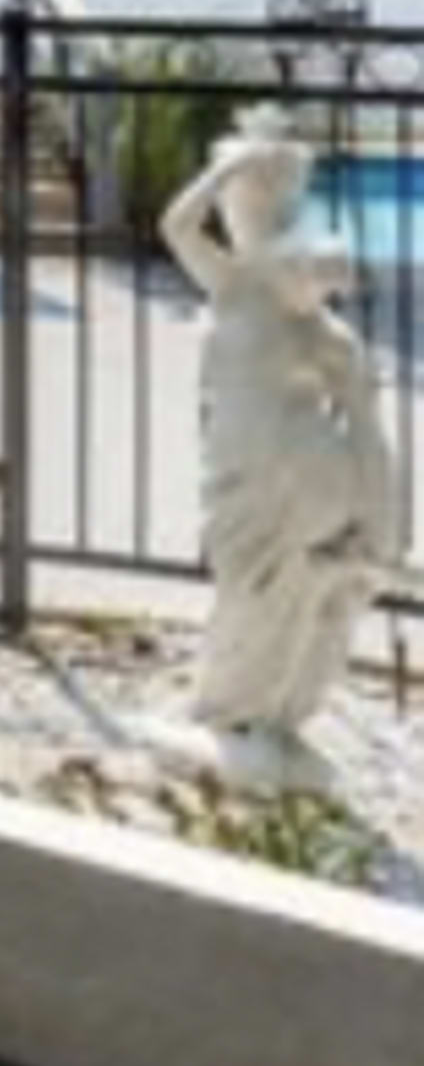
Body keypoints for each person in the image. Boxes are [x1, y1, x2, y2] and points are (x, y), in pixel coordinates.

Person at [161, 105, 405, 784]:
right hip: (244, 465)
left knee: (292, 595)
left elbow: (364, 422)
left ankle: (268, 716)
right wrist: (226, 167)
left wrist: (380, 523)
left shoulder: (317, 322)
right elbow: (176, 225)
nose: (255, 214)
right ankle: (228, 712)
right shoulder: (234, 284)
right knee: (248, 587)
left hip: (304, 473)